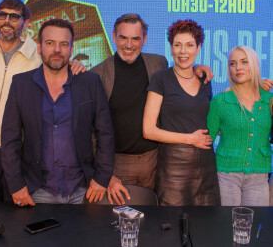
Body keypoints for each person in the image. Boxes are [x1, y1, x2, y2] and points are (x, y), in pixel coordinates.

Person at [92, 14, 214, 205]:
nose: (129, 45)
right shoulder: (97, 74)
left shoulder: (158, 63)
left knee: (157, 224)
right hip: (118, 164)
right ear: (114, 37)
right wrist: (105, 174)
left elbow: (181, 69)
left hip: (156, 162)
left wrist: (198, 67)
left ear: (145, 40)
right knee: (121, 225)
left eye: (136, 39)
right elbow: (91, 130)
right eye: (123, 38)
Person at [0, 0, 85, 201]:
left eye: (14, 16)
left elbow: (59, 66)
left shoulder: (38, 54)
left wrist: (75, 62)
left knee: (17, 218)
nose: (7, 21)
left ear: (25, 22)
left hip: (20, 153)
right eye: (2, 15)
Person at [1, 19, 115, 206]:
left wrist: (102, 178)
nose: (57, 50)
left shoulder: (90, 83)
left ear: (71, 49)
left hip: (83, 190)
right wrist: (15, 185)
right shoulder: (21, 85)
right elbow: (9, 140)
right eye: (50, 43)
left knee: (85, 237)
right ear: (39, 47)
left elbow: (106, 134)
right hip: (36, 191)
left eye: (63, 44)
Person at [143, 19, 220, 206]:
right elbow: (148, 130)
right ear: (171, 48)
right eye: (177, 45)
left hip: (206, 166)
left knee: (207, 226)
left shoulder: (205, 80)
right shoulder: (161, 79)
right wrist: (189, 139)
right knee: (172, 227)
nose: (183, 51)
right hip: (173, 169)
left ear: (199, 48)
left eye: (189, 45)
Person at [207, 46, 273, 206]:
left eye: (244, 62)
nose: (238, 68)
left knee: (255, 225)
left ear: (254, 65)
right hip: (226, 176)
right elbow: (206, 140)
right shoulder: (220, 101)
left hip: (259, 175)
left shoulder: (269, 100)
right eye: (232, 63)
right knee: (226, 226)